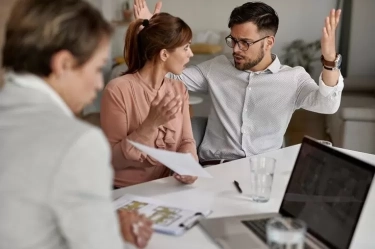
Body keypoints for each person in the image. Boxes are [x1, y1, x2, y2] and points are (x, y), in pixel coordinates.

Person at [0, 0, 152, 248]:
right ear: (64, 64)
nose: (98, 84)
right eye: (96, 68)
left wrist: (100, 220)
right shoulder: (78, 143)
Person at [134, 1, 344, 165]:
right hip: (214, 166)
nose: (235, 49)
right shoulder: (216, 67)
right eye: (233, 40)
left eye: (245, 43)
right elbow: (166, 77)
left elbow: (327, 105)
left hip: (262, 173)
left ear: (269, 42)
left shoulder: (293, 79)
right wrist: (149, 36)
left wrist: (329, 61)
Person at [100, 13, 198, 188]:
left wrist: (189, 166)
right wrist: (150, 125)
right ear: (164, 54)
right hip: (123, 192)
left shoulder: (179, 89)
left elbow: (186, 141)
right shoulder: (118, 89)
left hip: (165, 187)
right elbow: (112, 160)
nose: (190, 54)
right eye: (185, 47)